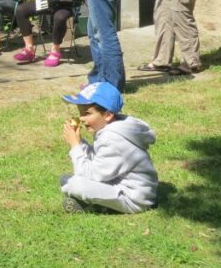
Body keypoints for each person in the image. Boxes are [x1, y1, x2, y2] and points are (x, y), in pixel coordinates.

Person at [58, 81, 158, 214]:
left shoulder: (112, 138)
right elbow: (98, 161)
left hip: (134, 199)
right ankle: (98, 204)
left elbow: (92, 175)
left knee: (72, 184)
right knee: (66, 179)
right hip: (121, 185)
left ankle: (98, 206)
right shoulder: (113, 127)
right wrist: (80, 142)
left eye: (87, 113)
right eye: (80, 112)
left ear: (108, 115)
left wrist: (75, 146)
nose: (81, 118)